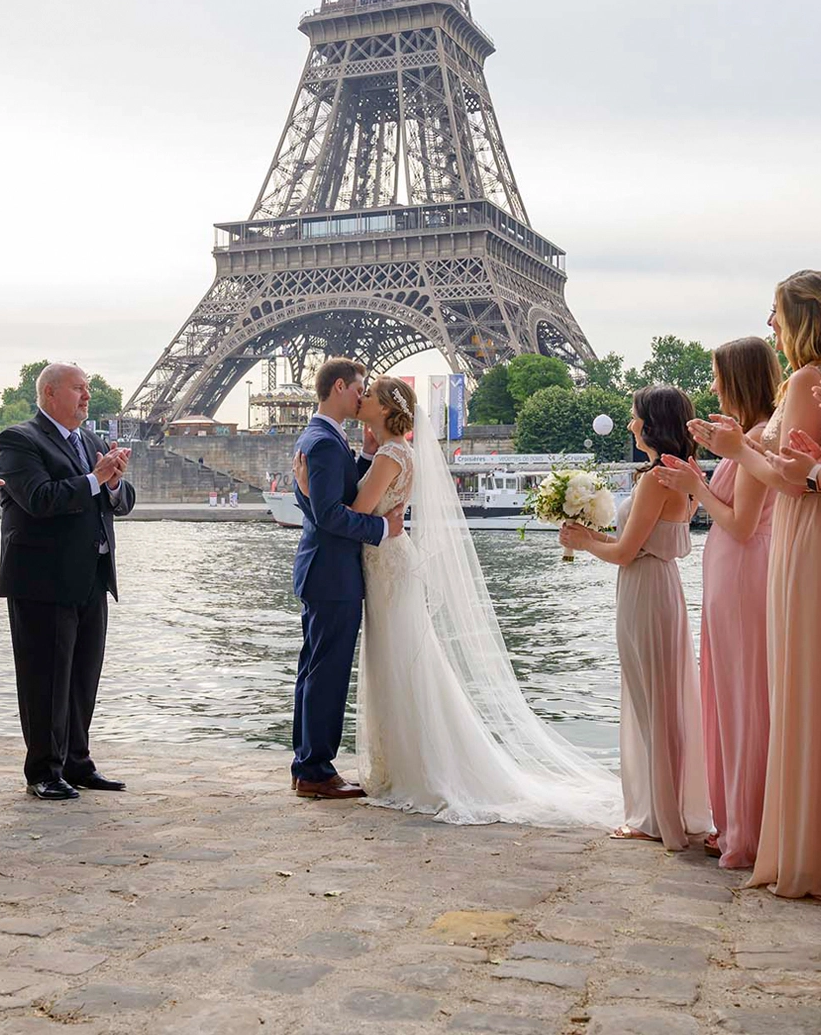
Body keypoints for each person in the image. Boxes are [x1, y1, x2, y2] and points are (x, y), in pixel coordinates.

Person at [295, 376, 621, 827]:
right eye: (359, 389)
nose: (361, 397)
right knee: (393, 665)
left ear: (387, 408)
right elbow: (349, 507)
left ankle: (386, 766)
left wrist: (312, 494)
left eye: (369, 394)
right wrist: (325, 489)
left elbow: (355, 511)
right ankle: (367, 765)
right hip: (379, 567)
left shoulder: (390, 454)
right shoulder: (386, 451)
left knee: (392, 664)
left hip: (384, 566)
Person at [689, 270, 821, 899]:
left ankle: (761, 829)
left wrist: (729, 458)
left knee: (767, 695)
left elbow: (768, 499)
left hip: (779, 554)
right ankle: (761, 823)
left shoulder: (803, 383)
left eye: (776, 313)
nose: (772, 326)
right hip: (775, 550)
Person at [561, 387, 711, 849]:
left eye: (634, 416)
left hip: (644, 589)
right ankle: (670, 809)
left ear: (651, 423)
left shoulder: (654, 480)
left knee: (649, 701)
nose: (629, 424)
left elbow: (627, 552)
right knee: (664, 699)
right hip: (662, 587)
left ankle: (654, 817)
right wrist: (590, 533)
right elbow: (640, 540)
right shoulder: (681, 475)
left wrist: (585, 543)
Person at [653, 338, 780, 867]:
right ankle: (736, 816)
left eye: (717, 376)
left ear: (739, 380)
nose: (712, 386)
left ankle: (744, 827)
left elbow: (741, 524)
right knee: (731, 691)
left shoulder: (754, 439)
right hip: (732, 574)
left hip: (744, 572)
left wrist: (694, 484)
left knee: (743, 694)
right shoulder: (747, 439)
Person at [0, 363, 135, 799]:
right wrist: (96, 478)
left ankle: (77, 762)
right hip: (42, 580)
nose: (87, 396)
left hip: (91, 575)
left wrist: (111, 484)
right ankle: (42, 770)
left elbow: (123, 500)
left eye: (88, 389)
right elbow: (38, 499)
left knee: (81, 679)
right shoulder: (20, 439)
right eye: (79, 389)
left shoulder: (90, 440)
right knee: (45, 680)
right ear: (50, 393)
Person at [289, 359, 404, 800]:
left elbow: (329, 500)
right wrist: (382, 530)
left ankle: (308, 765)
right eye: (359, 389)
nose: (363, 397)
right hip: (331, 574)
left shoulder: (325, 439)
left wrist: (368, 456)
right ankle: (315, 770)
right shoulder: (321, 442)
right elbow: (331, 515)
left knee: (316, 670)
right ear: (340, 387)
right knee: (327, 673)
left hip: (326, 571)